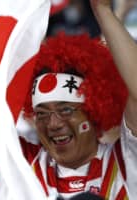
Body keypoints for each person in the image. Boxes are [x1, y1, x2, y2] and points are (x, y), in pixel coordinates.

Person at [19, 0, 137, 199]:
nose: (53, 124)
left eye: (65, 110)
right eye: (42, 114)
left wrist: (103, 11)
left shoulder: (127, 161)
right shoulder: (22, 164)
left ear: (93, 110)